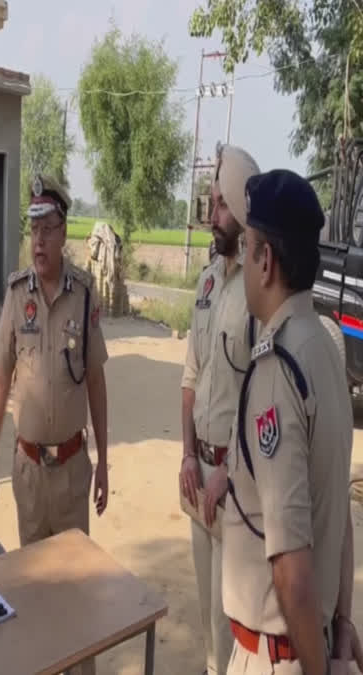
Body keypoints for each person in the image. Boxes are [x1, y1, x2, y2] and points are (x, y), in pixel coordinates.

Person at [222, 169, 363, 675]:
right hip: (315, 642)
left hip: (278, 657)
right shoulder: (325, 347)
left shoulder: (278, 371)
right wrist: (343, 623)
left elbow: (290, 568)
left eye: (249, 245)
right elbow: (339, 519)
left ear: (266, 261)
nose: (241, 259)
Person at [0, 174, 109, 675]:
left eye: (47, 229)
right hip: (29, 474)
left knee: (76, 592)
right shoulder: (17, 295)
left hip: (75, 470)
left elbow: (95, 381)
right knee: (32, 593)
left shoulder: (83, 294)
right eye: (32, 230)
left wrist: (105, 463)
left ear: (63, 232)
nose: (37, 241)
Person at [178, 144, 259, 675]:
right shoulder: (207, 283)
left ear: (241, 210)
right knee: (206, 619)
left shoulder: (257, 290)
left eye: (221, 204)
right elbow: (190, 375)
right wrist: (186, 456)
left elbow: (259, 394)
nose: (212, 214)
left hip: (232, 485)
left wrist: (226, 473)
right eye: (210, 202)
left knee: (229, 621)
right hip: (196, 475)